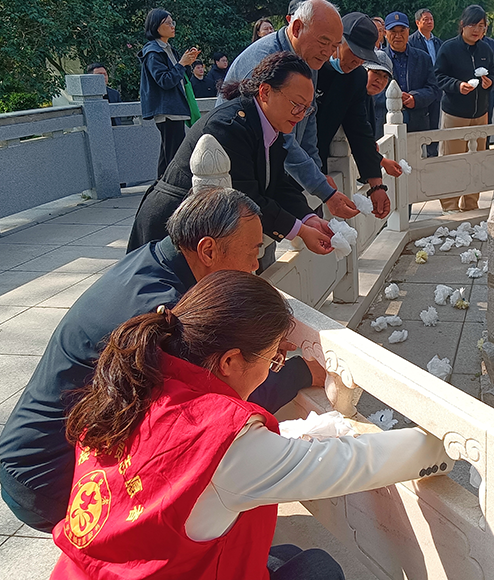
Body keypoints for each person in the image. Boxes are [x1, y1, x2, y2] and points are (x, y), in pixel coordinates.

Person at [50, 270, 450, 579]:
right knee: (317, 570)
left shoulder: (132, 383)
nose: (272, 369)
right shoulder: (222, 438)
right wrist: (444, 445)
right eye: (273, 359)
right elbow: (351, 463)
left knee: (282, 555)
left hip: (86, 570)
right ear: (230, 361)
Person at [0, 188, 321, 533]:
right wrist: (301, 372)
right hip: (53, 476)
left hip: (29, 454)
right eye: (253, 251)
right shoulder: (165, 312)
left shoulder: (152, 259)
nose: (256, 265)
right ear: (208, 250)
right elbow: (215, 409)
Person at [127, 52, 335, 260]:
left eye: (306, 109)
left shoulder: (271, 123)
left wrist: (308, 218)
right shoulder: (228, 127)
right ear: (265, 92)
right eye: (296, 104)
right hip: (171, 226)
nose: (300, 115)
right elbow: (246, 198)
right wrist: (300, 230)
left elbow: (278, 184)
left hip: (202, 227)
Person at [222, 0, 359, 225]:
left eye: (334, 45)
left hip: (270, 168)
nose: (328, 52)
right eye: (323, 42)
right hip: (238, 172)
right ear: (296, 28)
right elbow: (281, 138)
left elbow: (308, 117)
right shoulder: (266, 61)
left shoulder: (307, 60)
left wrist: (317, 172)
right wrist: (322, 188)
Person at [315, 13, 402, 219]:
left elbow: (359, 129)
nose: (357, 61)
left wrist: (376, 185)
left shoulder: (357, 77)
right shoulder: (312, 67)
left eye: (364, 56)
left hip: (319, 161)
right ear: (338, 41)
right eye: (354, 52)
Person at [434, 4, 494, 212]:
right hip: (455, 114)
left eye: (481, 26)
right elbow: (439, 76)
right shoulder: (449, 48)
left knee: (478, 159)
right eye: (473, 25)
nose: (477, 30)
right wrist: (457, 86)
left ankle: (471, 204)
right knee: (452, 161)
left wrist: (491, 82)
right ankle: (450, 205)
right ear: (462, 24)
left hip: (480, 114)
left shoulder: (486, 49)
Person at [139, 8, 200, 178]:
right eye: (168, 23)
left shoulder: (168, 49)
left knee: (167, 153)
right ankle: (172, 187)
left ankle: (160, 186)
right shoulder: (153, 52)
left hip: (174, 107)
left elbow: (180, 78)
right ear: (155, 26)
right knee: (174, 153)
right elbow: (165, 80)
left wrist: (187, 63)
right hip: (167, 109)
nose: (172, 26)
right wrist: (181, 64)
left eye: (173, 22)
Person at [383, 11, 440, 134]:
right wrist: (394, 99)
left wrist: (415, 98)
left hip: (417, 123)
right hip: (385, 124)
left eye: (402, 31)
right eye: (393, 31)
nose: (398, 36)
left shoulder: (423, 58)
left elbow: (433, 88)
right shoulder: (378, 59)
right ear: (385, 33)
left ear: (408, 31)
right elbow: (370, 91)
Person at [408, 8, 444, 145]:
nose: (430, 22)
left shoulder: (438, 42)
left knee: (435, 122)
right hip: (421, 88)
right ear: (417, 22)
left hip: (436, 86)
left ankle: (433, 151)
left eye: (431, 19)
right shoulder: (411, 42)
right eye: (425, 19)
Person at [363, 50, 393, 140]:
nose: (380, 80)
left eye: (385, 77)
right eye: (376, 72)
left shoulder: (369, 98)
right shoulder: (353, 97)